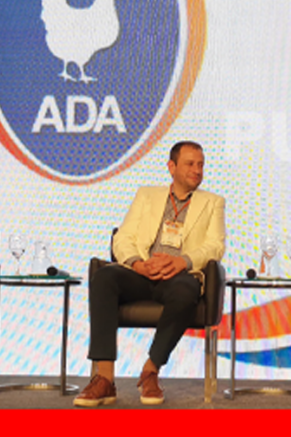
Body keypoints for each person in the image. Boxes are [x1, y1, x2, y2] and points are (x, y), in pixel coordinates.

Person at [74, 141, 226, 407]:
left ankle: (150, 371)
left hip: (180, 275)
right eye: (190, 164)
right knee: (104, 277)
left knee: (186, 291)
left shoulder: (213, 202)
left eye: (201, 165)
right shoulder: (147, 195)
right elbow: (123, 238)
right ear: (171, 167)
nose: (197, 170)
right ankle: (104, 378)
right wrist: (137, 264)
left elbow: (215, 245)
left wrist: (182, 261)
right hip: (143, 271)